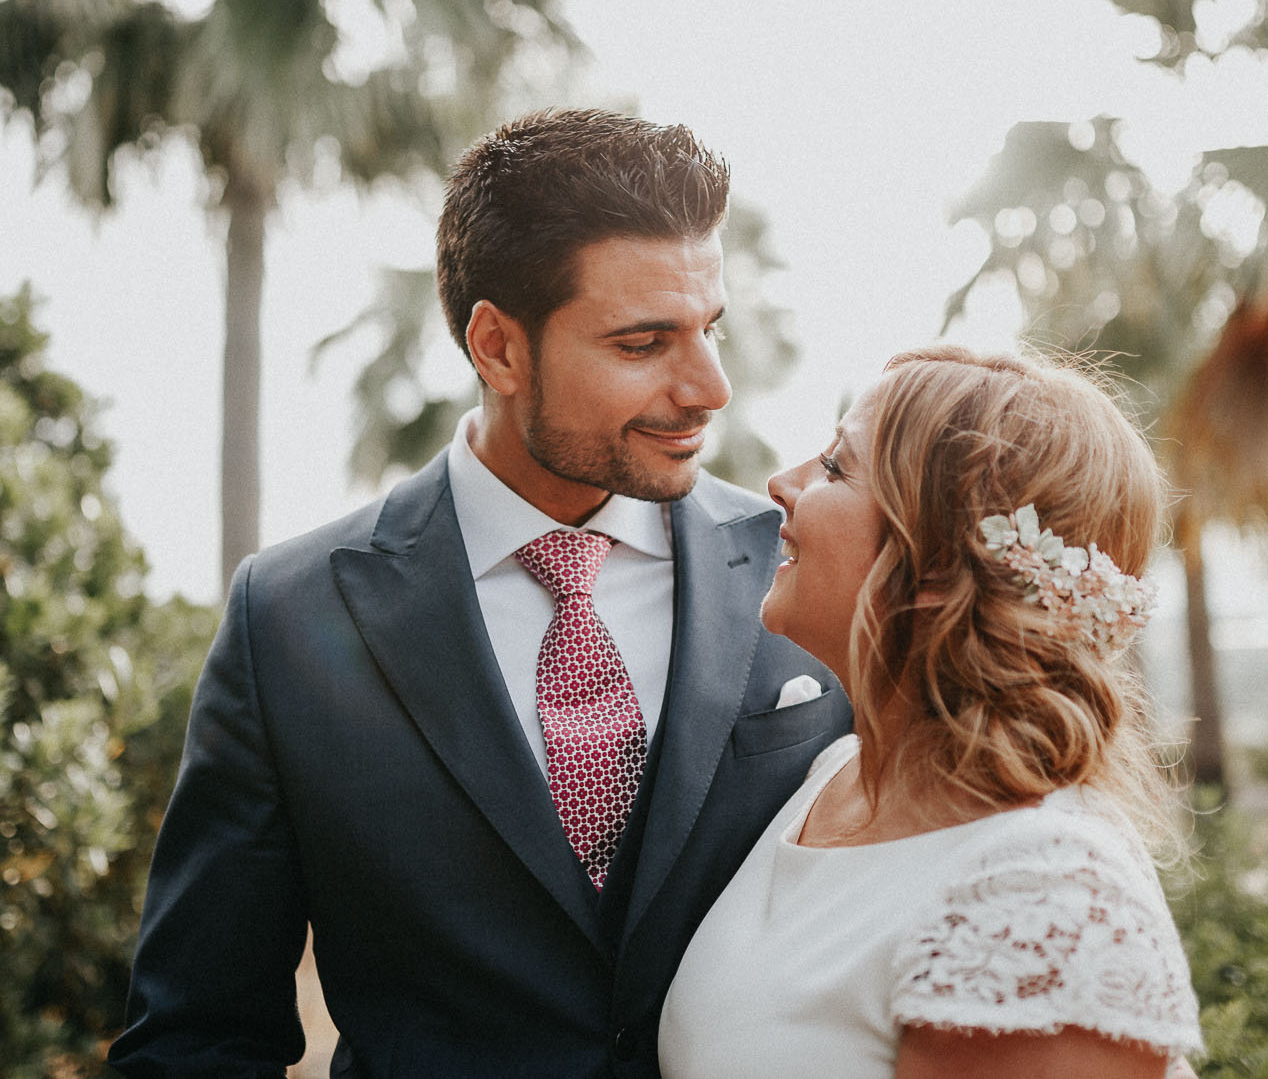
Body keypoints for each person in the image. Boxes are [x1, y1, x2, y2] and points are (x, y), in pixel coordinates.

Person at [108, 109, 851, 1079]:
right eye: (643, 343)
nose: (709, 386)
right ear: (497, 347)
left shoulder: (805, 575)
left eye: (710, 329)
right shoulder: (287, 616)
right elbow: (196, 1034)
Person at [658, 344, 1203, 1078]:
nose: (781, 485)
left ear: (941, 564)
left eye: (835, 468)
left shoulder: (1042, 894)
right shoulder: (834, 774)